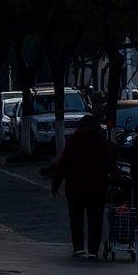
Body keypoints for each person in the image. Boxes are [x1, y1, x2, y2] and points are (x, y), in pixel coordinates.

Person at [50, 111, 113, 259]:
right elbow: (110, 163)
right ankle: (93, 250)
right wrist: (120, 179)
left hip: (75, 188)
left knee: (76, 219)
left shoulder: (73, 141)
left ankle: (78, 248)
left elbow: (63, 164)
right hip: (97, 188)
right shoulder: (101, 141)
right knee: (95, 220)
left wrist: (56, 184)